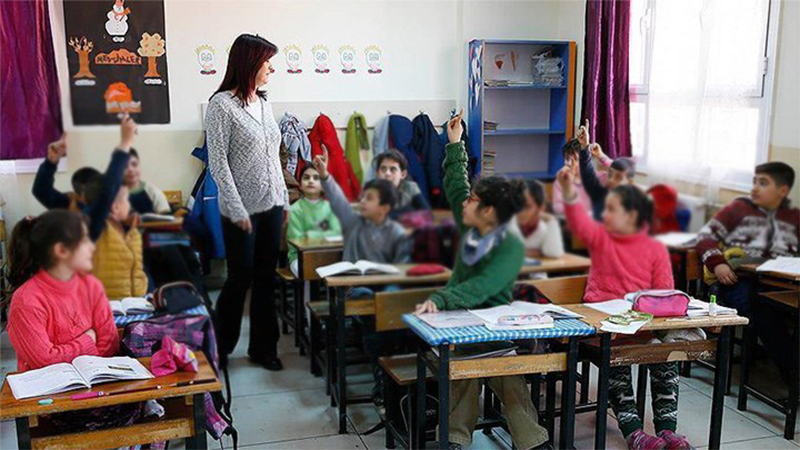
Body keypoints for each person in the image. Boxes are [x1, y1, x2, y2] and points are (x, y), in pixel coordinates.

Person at [414, 113, 551, 450]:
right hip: (460, 329)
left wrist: (443, 299)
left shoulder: (510, 246)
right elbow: (456, 185)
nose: (465, 202)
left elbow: (483, 286)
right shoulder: (472, 229)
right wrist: (455, 144)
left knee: (506, 375)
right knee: (461, 372)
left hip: (496, 331)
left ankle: (532, 442)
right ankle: (456, 440)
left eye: (473, 201)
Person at [558, 163, 691, 450]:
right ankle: (633, 431)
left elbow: (664, 295)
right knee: (616, 362)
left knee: (666, 358)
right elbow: (577, 219)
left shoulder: (654, 247)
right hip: (603, 327)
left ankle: (668, 430)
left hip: (642, 325)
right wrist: (568, 189)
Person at [7, 210, 152, 432]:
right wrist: (86, 340)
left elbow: (110, 344)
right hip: (53, 404)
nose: (92, 247)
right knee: (138, 415)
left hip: (100, 390)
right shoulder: (26, 301)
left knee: (154, 405)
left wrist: (67, 353)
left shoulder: (91, 286)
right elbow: (45, 362)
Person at [205, 33, 287, 371]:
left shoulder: (265, 103)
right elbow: (218, 163)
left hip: (271, 206)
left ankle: (263, 348)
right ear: (250, 62)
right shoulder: (221, 105)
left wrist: (282, 201)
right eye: (267, 61)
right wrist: (237, 211)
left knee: (267, 278)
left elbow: (273, 157)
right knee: (240, 278)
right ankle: (219, 349)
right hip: (240, 210)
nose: (271, 68)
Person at [314, 145, 411, 412]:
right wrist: (324, 175)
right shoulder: (355, 222)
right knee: (374, 312)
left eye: (370, 200)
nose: (363, 204)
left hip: (387, 290)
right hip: (357, 289)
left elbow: (404, 266)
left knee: (397, 309)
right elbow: (338, 201)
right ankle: (383, 385)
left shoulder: (397, 229)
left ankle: (401, 385)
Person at [696, 162, 798, 383]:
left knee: (777, 308)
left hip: (780, 285)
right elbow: (705, 237)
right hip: (737, 281)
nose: (754, 188)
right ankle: (793, 378)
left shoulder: (794, 218)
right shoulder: (738, 209)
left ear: (782, 190)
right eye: (754, 181)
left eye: (763, 183)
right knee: (763, 309)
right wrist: (718, 263)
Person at [80, 115, 146, 300]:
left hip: (134, 304)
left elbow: (137, 270)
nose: (129, 205)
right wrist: (126, 142)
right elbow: (108, 190)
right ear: (114, 207)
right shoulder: (95, 227)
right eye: (126, 200)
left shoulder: (130, 229)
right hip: (108, 307)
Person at [286, 165, 341, 277]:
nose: (311, 181)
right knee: (308, 270)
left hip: (326, 255)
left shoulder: (329, 207)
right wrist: (324, 236)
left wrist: (311, 234)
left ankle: (338, 295)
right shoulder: (295, 210)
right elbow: (297, 239)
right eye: (306, 178)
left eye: (316, 178)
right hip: (299, 257)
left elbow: (337, 233)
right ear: (300, 185)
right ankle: (308, 295)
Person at [576, 120, 636, 220]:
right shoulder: (601, 195)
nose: (611, 180)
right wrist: (585, 146)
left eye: (618, 177)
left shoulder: (632, 209)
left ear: (629, 182)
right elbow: (588, 174)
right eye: (610, 175)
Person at [31, 133, 100, 212]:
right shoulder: (71, 203)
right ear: (79, 196)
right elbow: (41, 190)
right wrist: (50, 161)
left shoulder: (112, 206)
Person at [512, 179, 565, 260]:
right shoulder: (507, 223)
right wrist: (539, 252)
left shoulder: (544, 227)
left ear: (540, 208)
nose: (520, 212)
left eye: (527, 207)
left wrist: (551, 221)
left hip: (536, 272)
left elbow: (554, 253)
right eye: (518, 205)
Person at [374, 149, 431, 218]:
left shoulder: (410, 187)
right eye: (383, 169)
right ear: (377, 173)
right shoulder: (371, 191)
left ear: (403, 174)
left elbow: (427, 214)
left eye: (393, 169)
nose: (387, 174)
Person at [124, 149, 171, 214]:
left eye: (134, 164)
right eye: (124, 166)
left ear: (139, 166)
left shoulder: (153, 192)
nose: (130, 169)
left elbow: (168, 220)